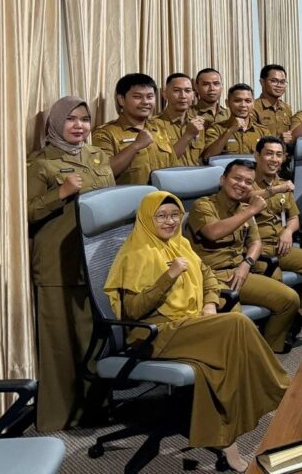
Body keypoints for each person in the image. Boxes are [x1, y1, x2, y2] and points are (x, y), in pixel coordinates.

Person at [104, 191, 287, 472]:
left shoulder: (181, 244)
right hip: (154, 332)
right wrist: (169, 276)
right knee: (236, 324)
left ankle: (227, 439)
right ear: (147, 218)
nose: (170, 222)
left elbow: (208, 276)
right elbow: (133, 310)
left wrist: (210, 305)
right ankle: (283, 392)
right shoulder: (135, 254)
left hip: (188, 324)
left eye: (175, 215)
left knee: (216, 363)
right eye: (161, 216)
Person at [27, 96, 116, 432]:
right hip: (59, 264)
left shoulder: (98, 156)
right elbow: (25, 212)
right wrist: (60, 193)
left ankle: (97, 411)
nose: (79, 126)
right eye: (71, 119)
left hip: (97, 261)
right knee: (61, 344)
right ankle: (60, 418)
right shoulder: (41, 163)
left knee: (94, 339)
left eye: (85, 119)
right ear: (55, 123)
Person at [188, 160, 300, 353]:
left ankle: (267, 352)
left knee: (289, 299)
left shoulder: (243, 208)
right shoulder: (203, 205)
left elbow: (256, 243)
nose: (242, 185)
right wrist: (251, 210)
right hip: (211, 278)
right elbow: (214, 232)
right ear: (223, 179)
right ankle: (243, 358)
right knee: (237, 321)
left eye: (248, 182)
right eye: (237, 179)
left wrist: (246, 264)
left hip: (239, 272)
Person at [253, 137, 302, 318]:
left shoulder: (282, 182)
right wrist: (277, 190)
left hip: (281, 244)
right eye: (269, 154)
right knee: (278, 285)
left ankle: (301, 314)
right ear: (257, 156)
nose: (274, 159)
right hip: (258, 248)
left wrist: (288, 231)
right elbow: (247, 197)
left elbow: (294, 217)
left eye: (279, 155)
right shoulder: (247, 182)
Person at [92, 73, 177, 185]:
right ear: (121, 100)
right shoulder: (105, 133)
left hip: (163, 195)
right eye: (137, 97)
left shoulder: (159, 129)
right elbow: (103, 173)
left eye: (150, 97)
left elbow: (173, 168)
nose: (145, 102)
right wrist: (135, 146)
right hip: (130, 196)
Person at [202, 84, 269, 160]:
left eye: (248, 101)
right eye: (237, 101)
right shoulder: (216, 129)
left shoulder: (263, 132)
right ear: (227, 103)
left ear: (253, 104)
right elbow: (207, 156)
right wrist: (230, 130)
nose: (243, 105)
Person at [157, 73, 207, 166]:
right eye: (176, 91)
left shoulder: (197, 123)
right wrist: (187, 135)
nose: (183, 96)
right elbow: (164, 162)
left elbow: (201, 158)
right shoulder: (155, 125)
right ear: (165, 94)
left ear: (193, 95)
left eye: (187, 91)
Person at [251, 64, 294, 141]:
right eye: (274, 81)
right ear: (262, 82)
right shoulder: (252, 107)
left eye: (282, 82)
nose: (279, 85)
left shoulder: (286, 108)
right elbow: (249, 138)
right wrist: (278, 139)